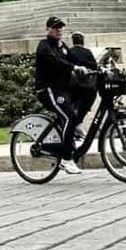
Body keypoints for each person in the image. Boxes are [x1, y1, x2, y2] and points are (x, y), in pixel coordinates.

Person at [34, 15, 89, 175]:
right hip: (48, 90)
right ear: (48, 29)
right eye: (55, 27)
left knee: (85, 93)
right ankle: (66, 159)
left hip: (63, 89)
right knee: (68, 118)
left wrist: (94, 66)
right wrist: (74, 67)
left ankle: (74, 128)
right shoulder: (44, 47)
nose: (59, 30)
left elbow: (75, 58)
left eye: (60, 27)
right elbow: (57, 63)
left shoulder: (62, 46)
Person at [67, 32, 100, 132]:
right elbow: (94, 66)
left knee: (71, 106)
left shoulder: (69, 52)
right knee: (86, 104)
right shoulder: (87, 52)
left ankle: (72, 125)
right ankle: (78, 123)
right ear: (83, 41)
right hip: (87, 86)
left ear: (73, 41)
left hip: (72, 85)